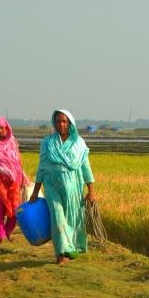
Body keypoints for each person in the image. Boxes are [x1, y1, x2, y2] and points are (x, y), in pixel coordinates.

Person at [30, 110, 95, 265]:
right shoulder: (48, 143)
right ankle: (61, 254)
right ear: (54, 123)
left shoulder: (79, 143)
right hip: (52, 186)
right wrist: (35, 191)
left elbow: (86, 167)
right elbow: (42, 167)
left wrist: (91, 191)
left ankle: (71, 248)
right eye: (58, 121)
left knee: (72, 219)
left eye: (64, 121)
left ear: (70, 123)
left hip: (73, 187)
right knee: (58, 219)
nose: (61, 124)